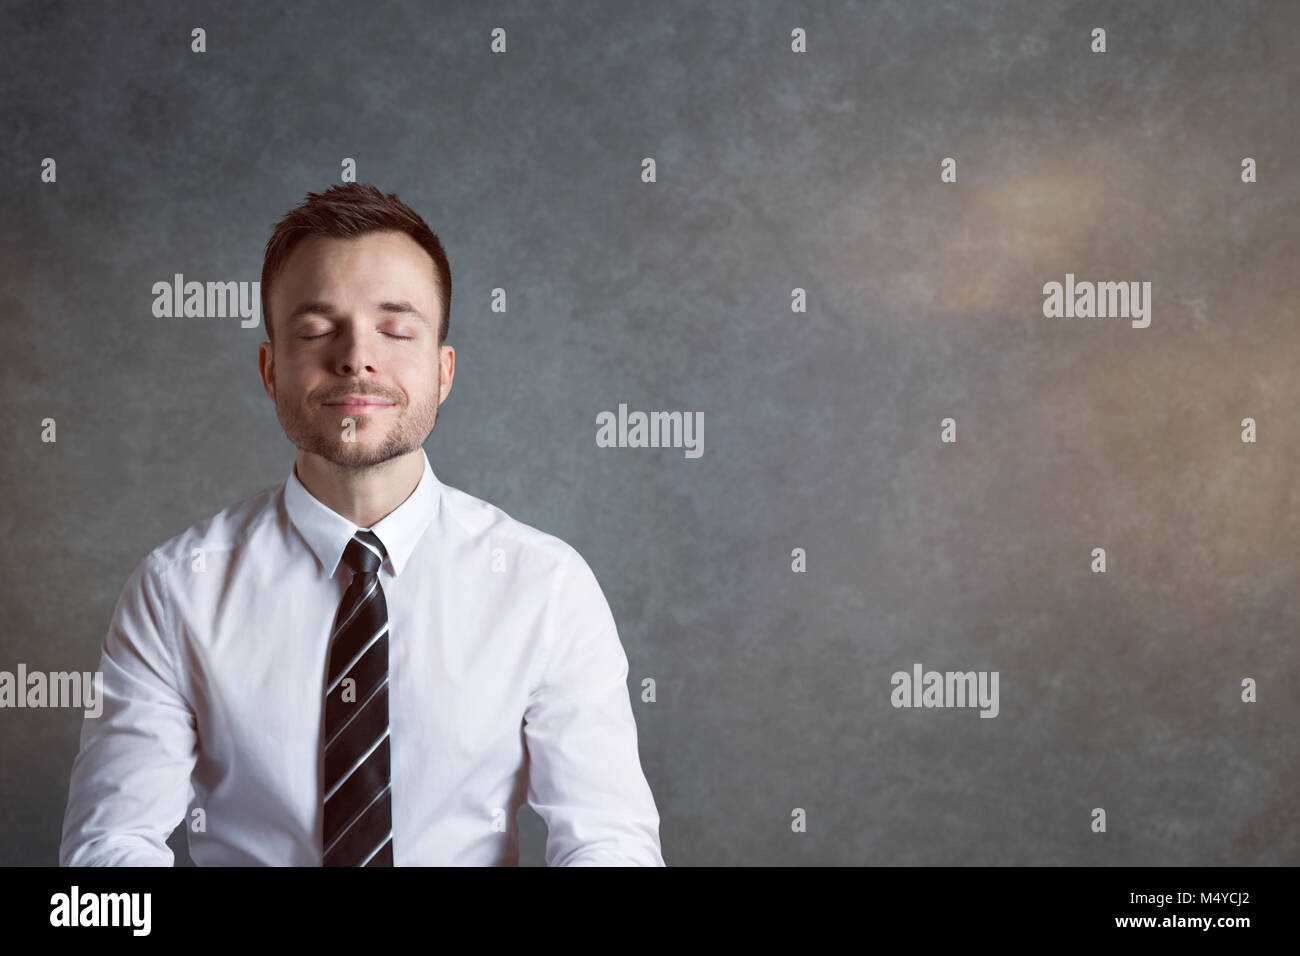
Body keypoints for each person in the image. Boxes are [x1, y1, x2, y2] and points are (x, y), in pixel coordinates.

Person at [59, 183, 665, 866]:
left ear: (443, 371)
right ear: (269, 370)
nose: (355, 357)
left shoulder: (545, 587)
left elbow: (608, 844)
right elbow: (108, 852)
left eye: (396, 330)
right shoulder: (176, 591)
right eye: (317, 330)